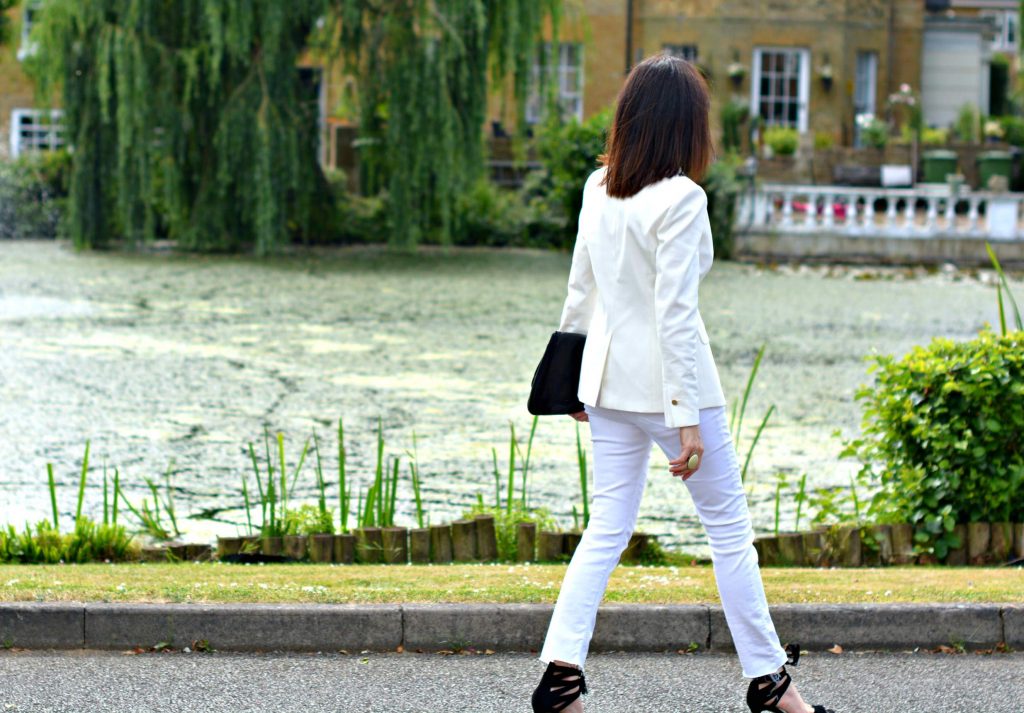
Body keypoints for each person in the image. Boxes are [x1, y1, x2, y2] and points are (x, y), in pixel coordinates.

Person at [530, 54, 835, 713]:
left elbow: (579, 291)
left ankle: (560, 676)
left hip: (606, 386)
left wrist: (571, 384)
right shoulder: (683, 198)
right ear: (688, 127)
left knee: (605, 525)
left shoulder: (597, 185)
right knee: (728, 529)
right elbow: (675, 313)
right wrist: (686, 416)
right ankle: (771, 683)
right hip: (671, 390)